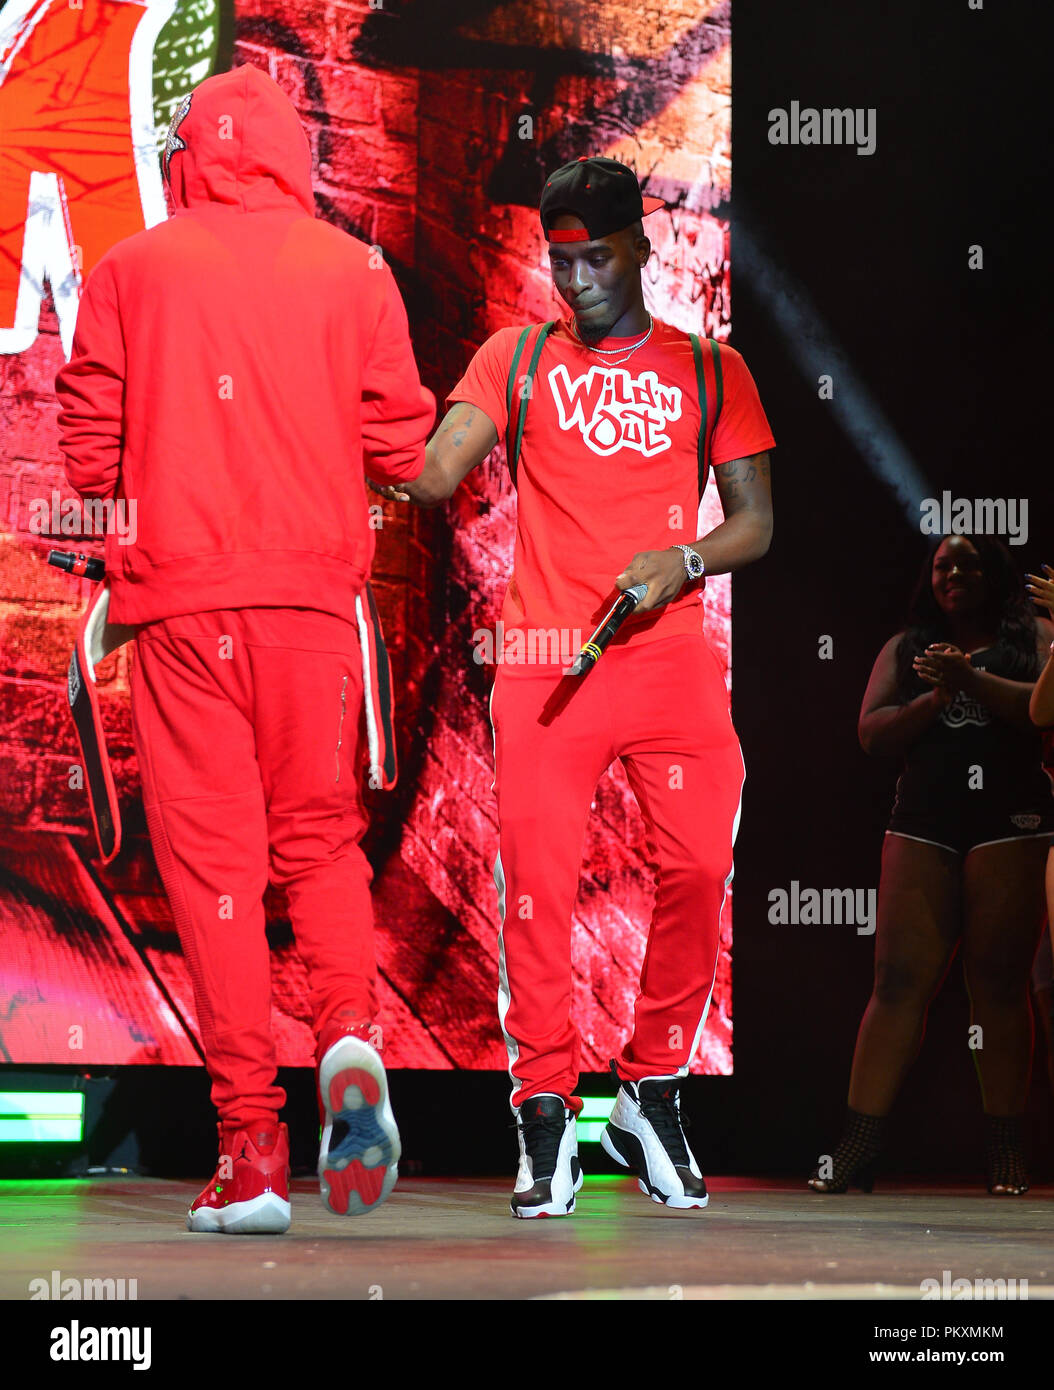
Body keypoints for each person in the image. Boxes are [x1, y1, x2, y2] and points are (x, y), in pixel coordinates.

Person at [55, 65, 435, 1232]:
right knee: (317, 842)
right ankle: (351, 1046)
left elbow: (84, 452)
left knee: (216, 873)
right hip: (310, 606)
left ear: (188, 153)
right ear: (287, 151)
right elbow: (401, 443)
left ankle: (253, 1157)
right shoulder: (352, 267)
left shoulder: (130, 268)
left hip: (178, 608)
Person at [373, 156, 775, 1216]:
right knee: (538, 893)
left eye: (596, 255)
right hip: (546, 665)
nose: (579, 277)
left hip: (670, 661)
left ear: (639, 249)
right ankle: (544, 1110)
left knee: (697, 870)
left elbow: (755, 521)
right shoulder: (515, 358)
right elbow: (429, 474)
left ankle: (649, 1087)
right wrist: (348, 404)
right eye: (560, 259)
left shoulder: (711, 369)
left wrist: (684, 560)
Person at [810, 535, 1054, 1196]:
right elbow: (870, 733)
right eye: (943, 563)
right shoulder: (906, 647)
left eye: (969, 562)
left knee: (999, 988)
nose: (954, 573)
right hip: (922, 824)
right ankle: (857, 1146)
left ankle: (1007, 1153)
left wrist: (972, 679)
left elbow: (1042, 712)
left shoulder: (1036, 635)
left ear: (996, 573)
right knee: (895, 983)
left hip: (1012, 824)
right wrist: (933, 700)